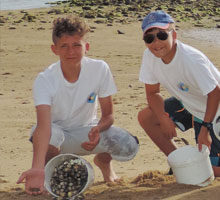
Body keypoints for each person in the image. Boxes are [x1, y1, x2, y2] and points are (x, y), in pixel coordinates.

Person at [17, 15, 139, 195]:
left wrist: (99, 128)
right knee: (48, 135)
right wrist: (36, 168)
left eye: (76, 45)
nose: (71, 52)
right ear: (54, 49)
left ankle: (104, 163)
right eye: (64, 46)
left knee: (128, 145)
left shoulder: (99, 69)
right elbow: (43, 127)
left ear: (86, 47)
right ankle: (47, 171)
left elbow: (108, 116)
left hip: (88, 132)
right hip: (57, 135)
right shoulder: (45, 80)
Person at [135, 11, 220, 177]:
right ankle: (178, 161)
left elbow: (216, 94)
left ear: (174, 35)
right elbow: (153, 93)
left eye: (162, 35)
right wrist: (163, 117)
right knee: (146, 117)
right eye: (149, 38)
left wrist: (205, 129)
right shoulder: (150, 55)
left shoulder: (191, 59)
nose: (156, 43)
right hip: (189, 102)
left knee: (217, 172)